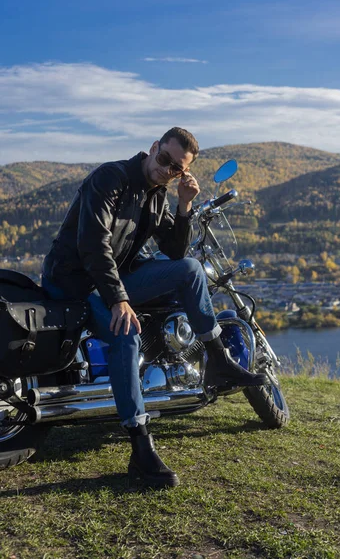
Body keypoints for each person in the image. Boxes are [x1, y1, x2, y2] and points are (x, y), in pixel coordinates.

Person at [42, 127, 266, 490]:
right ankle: (140, 448)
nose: (167, 170)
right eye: (164, 160)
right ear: (153, 148)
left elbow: (177, 252)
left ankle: (219, 362)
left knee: (190, 270)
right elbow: (93, 243)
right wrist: (119, 299)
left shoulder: (158, 195)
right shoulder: (110, 177)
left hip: (114, 274)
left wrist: (184, 205)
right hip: (74, 281)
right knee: (126, 334)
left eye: (177, 168)